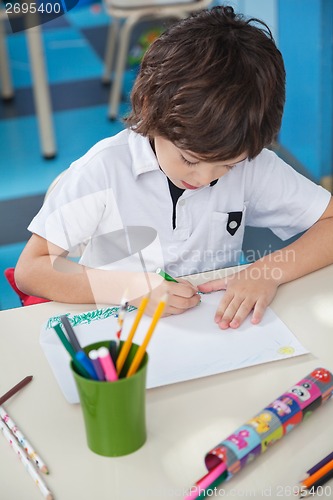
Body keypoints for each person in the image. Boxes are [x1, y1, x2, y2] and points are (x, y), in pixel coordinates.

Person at [15, 6, 333, 328]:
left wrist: (267, 271)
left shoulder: (250, 164)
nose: (207, 177)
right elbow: (31, 269)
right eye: (190, 160)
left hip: (212, 329)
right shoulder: (105, 169)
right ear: (151, 115)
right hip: (117, 333)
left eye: (228, 165)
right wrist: (131, 288)